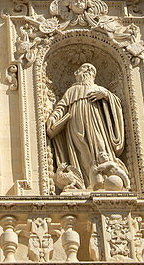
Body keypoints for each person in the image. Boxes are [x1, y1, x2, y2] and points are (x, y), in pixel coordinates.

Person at [47, 63, 126, 191]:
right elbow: (61, 106)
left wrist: (105, 95)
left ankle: (105, 180)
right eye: (81, 70)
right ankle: (85, 182)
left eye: (84, 69)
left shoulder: (99, 89)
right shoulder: (72, 91)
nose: (80, 73)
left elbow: (116, 104)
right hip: (75, 124)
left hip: (96, 123)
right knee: (81, 150)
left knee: (100, 146)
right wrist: (53, 118)